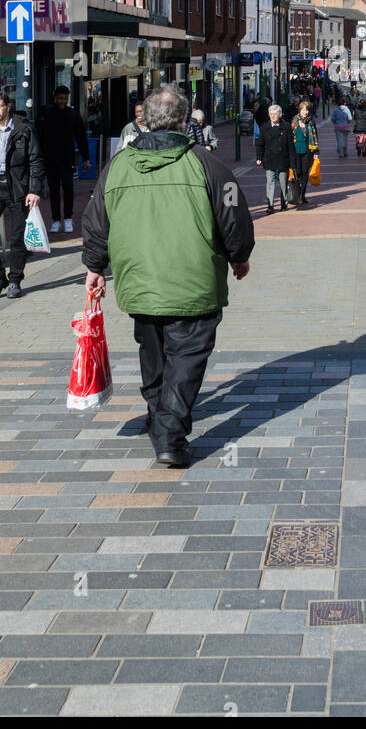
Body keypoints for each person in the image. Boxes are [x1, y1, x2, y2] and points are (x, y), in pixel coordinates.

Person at [82, 85, 254, 466]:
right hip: (193, 282)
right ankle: (170, 435)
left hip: (139, 281)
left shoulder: (118, 166)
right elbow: (233, 214)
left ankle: (158, 414)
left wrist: (94, 267)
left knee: (153, 350)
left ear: (145, 119)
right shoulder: (210, 166)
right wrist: (239, 256)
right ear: (182, 120)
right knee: (187, 356)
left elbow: (96, 219)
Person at [0, 91, 45, 300]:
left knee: (16, 238)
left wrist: (34, 190)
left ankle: (14, 280)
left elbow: (36, 160)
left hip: (18, 189)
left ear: (8, 106)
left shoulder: (24, 129)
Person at [37, 85, 90, 232]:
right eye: (60, 98)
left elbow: (81, 138)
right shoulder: (46, 114)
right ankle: (55, 220)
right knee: (53, 190)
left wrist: (86, 158)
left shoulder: (73, 115)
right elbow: (38, 136)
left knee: (68, 188)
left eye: (65, 98)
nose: (63, 101)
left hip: (67, 159)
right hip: (50, 159)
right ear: (55, 98)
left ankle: (67, 218)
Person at [256, 103, 293, 212]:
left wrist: (293, 162)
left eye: (275, 114)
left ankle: (284, 203)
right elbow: (260, 144)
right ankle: (270, 205)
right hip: (269, 158)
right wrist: (259, 157)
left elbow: (291, 145)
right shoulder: (264, 127)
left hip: (283, 159)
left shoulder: (286, 127)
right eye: (270, 114)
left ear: (280, 115)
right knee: (270, 181)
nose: (272, 116)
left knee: (283, 182)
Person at [290, 100, 319, 205]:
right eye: (303, 109)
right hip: (296, 150)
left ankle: (302, 195)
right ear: (299, 110)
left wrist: (316, 151)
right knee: (297, 173)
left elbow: (315, 136)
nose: (305, 112)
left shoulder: (311, 121)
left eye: (306, 109)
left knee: (305, 173)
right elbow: (290, 136)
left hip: (308, 150)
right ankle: (298, 192)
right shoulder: (294, 120)